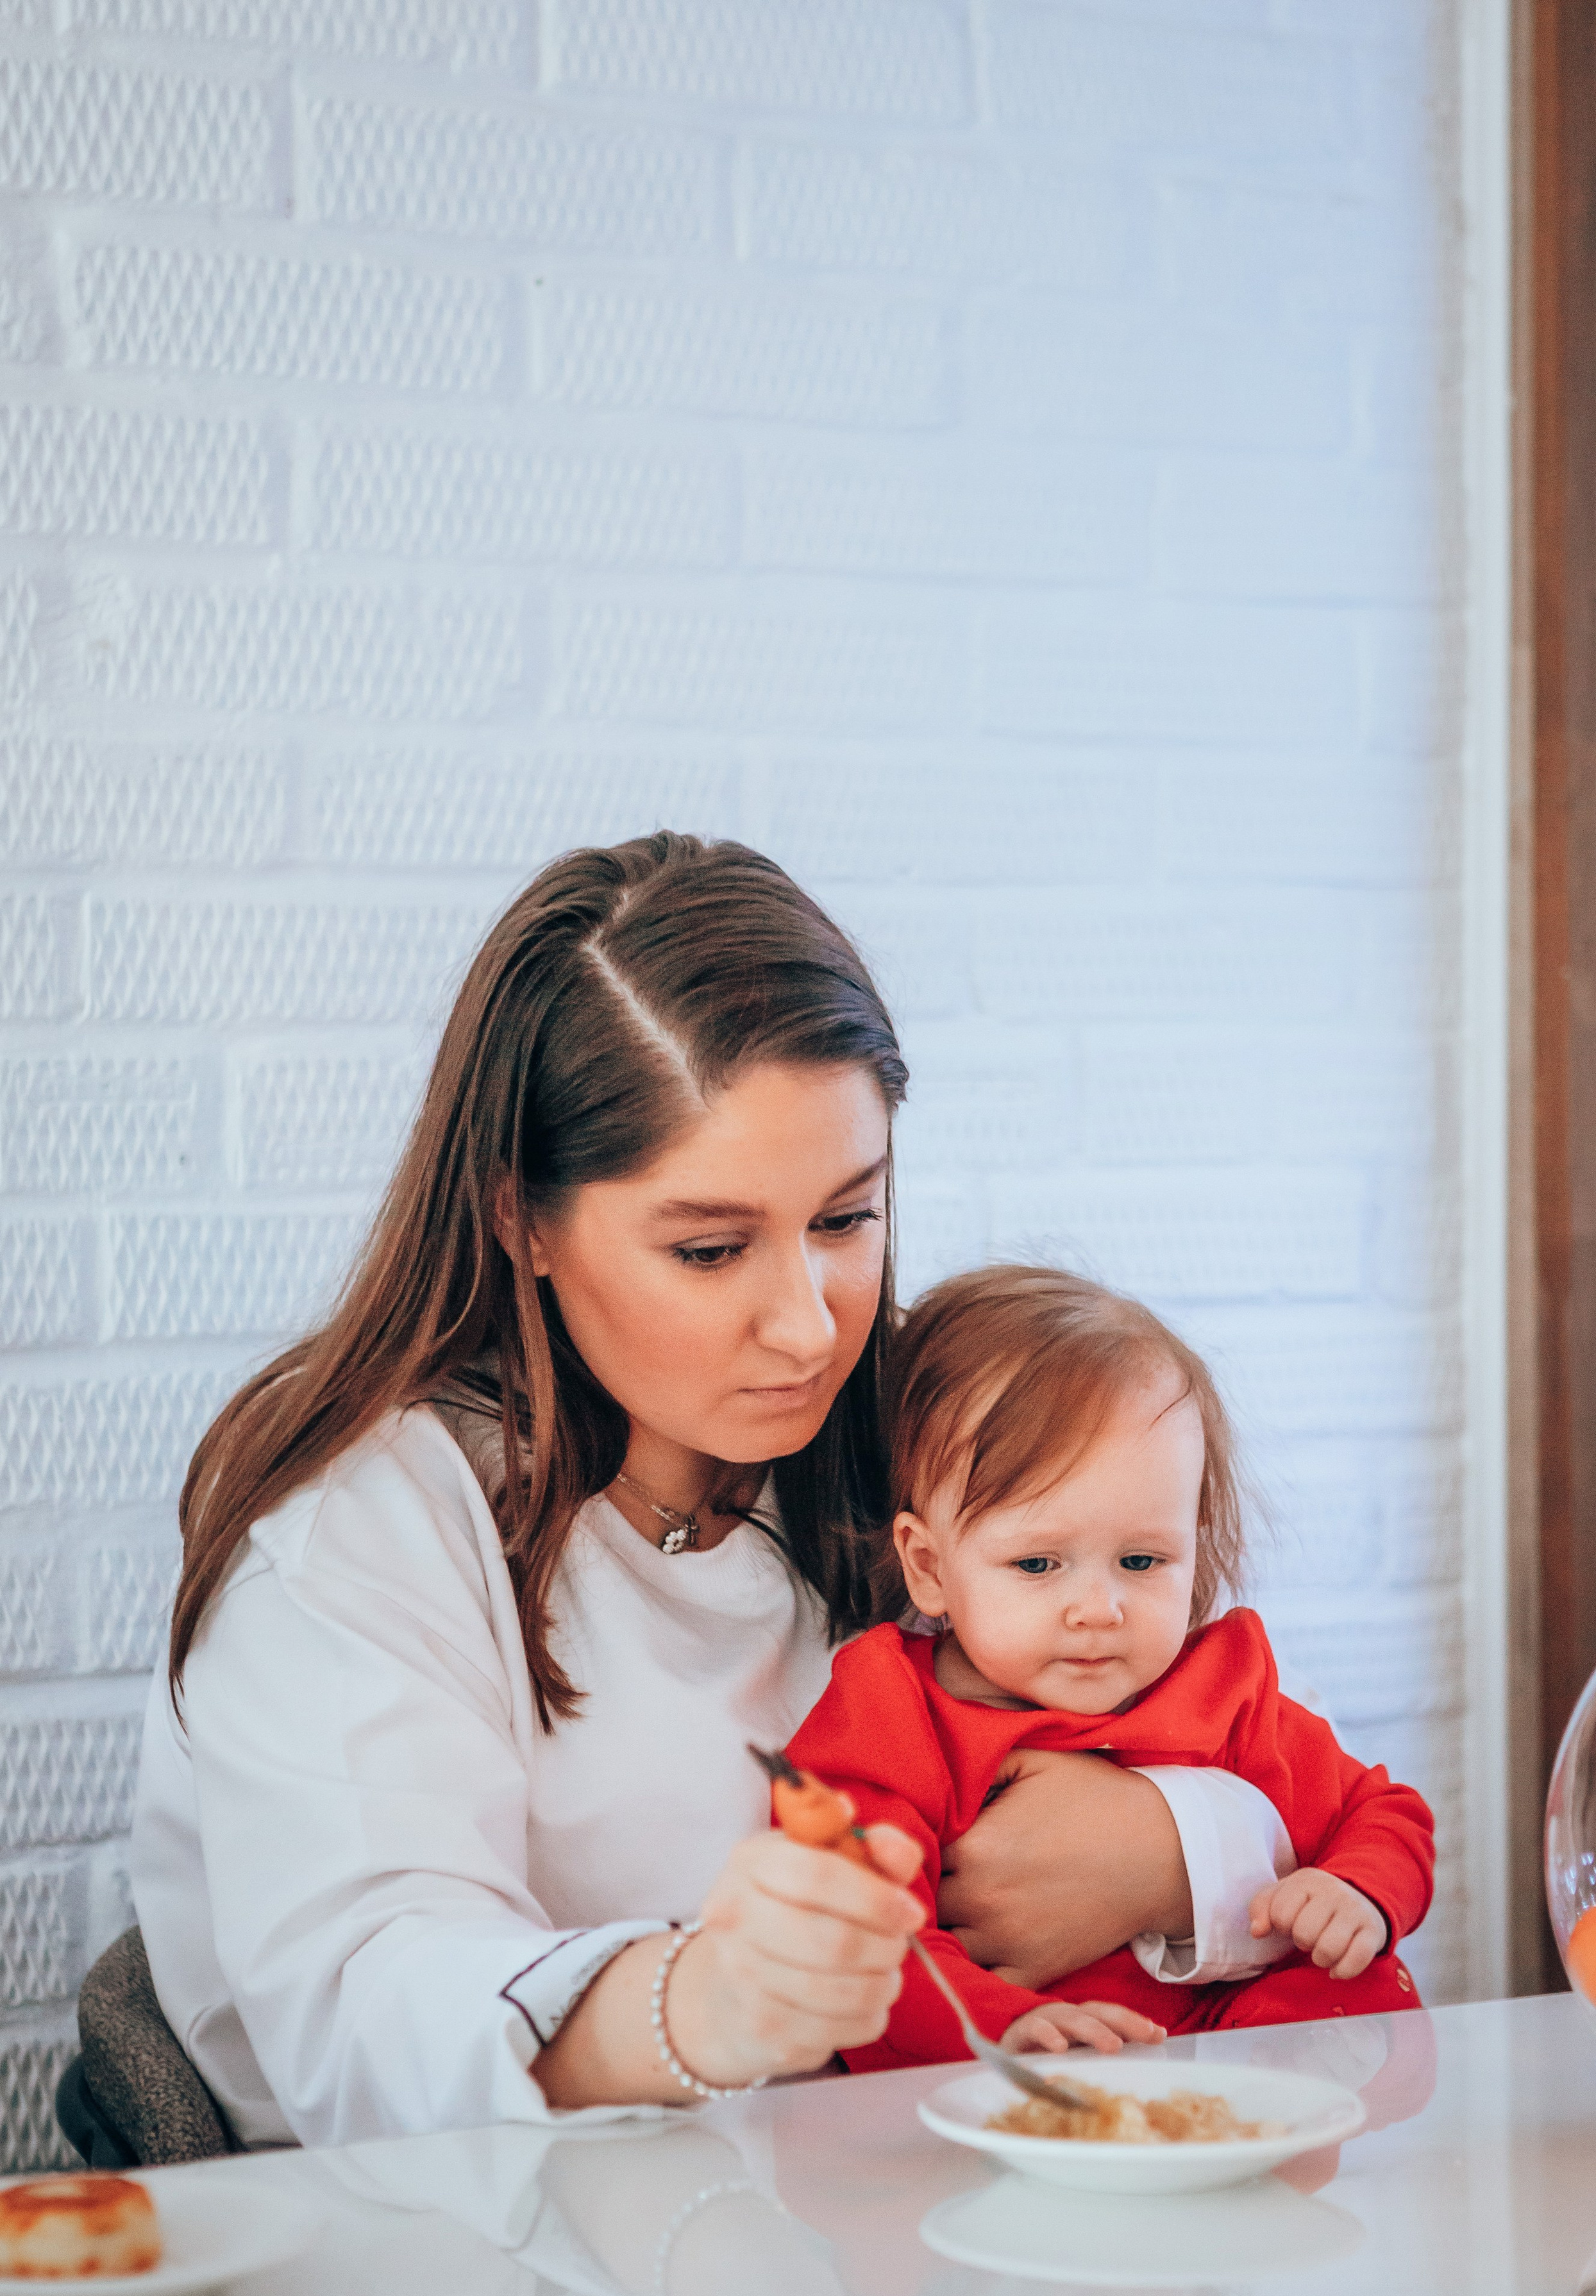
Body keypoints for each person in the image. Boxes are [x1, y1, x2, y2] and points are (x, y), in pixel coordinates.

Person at [130, 836, 1296, 2149]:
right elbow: (365, 2003)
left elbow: (1218, 1713)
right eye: (708, 1247)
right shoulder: (364, 1523)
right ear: (522, 1217)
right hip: (430, 2261)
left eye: (847, 1221)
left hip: (855, 2238)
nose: (807, 1327)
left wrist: (1176, 1841)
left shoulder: (919, 1435)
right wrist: (706, 2002)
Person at [782, 1266, 1434, 2069]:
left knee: (1363, 1985)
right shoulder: (891, 1713)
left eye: (1140, 1560)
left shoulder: (1221, 1689)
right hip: (1001, 2083)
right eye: (1036, 1564)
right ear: (929, 1567)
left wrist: (1358, 1891)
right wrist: (997, 2025)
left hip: (1218, 2072)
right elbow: (861, 1919)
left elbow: (1385, 1811)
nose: (1098, 1609)